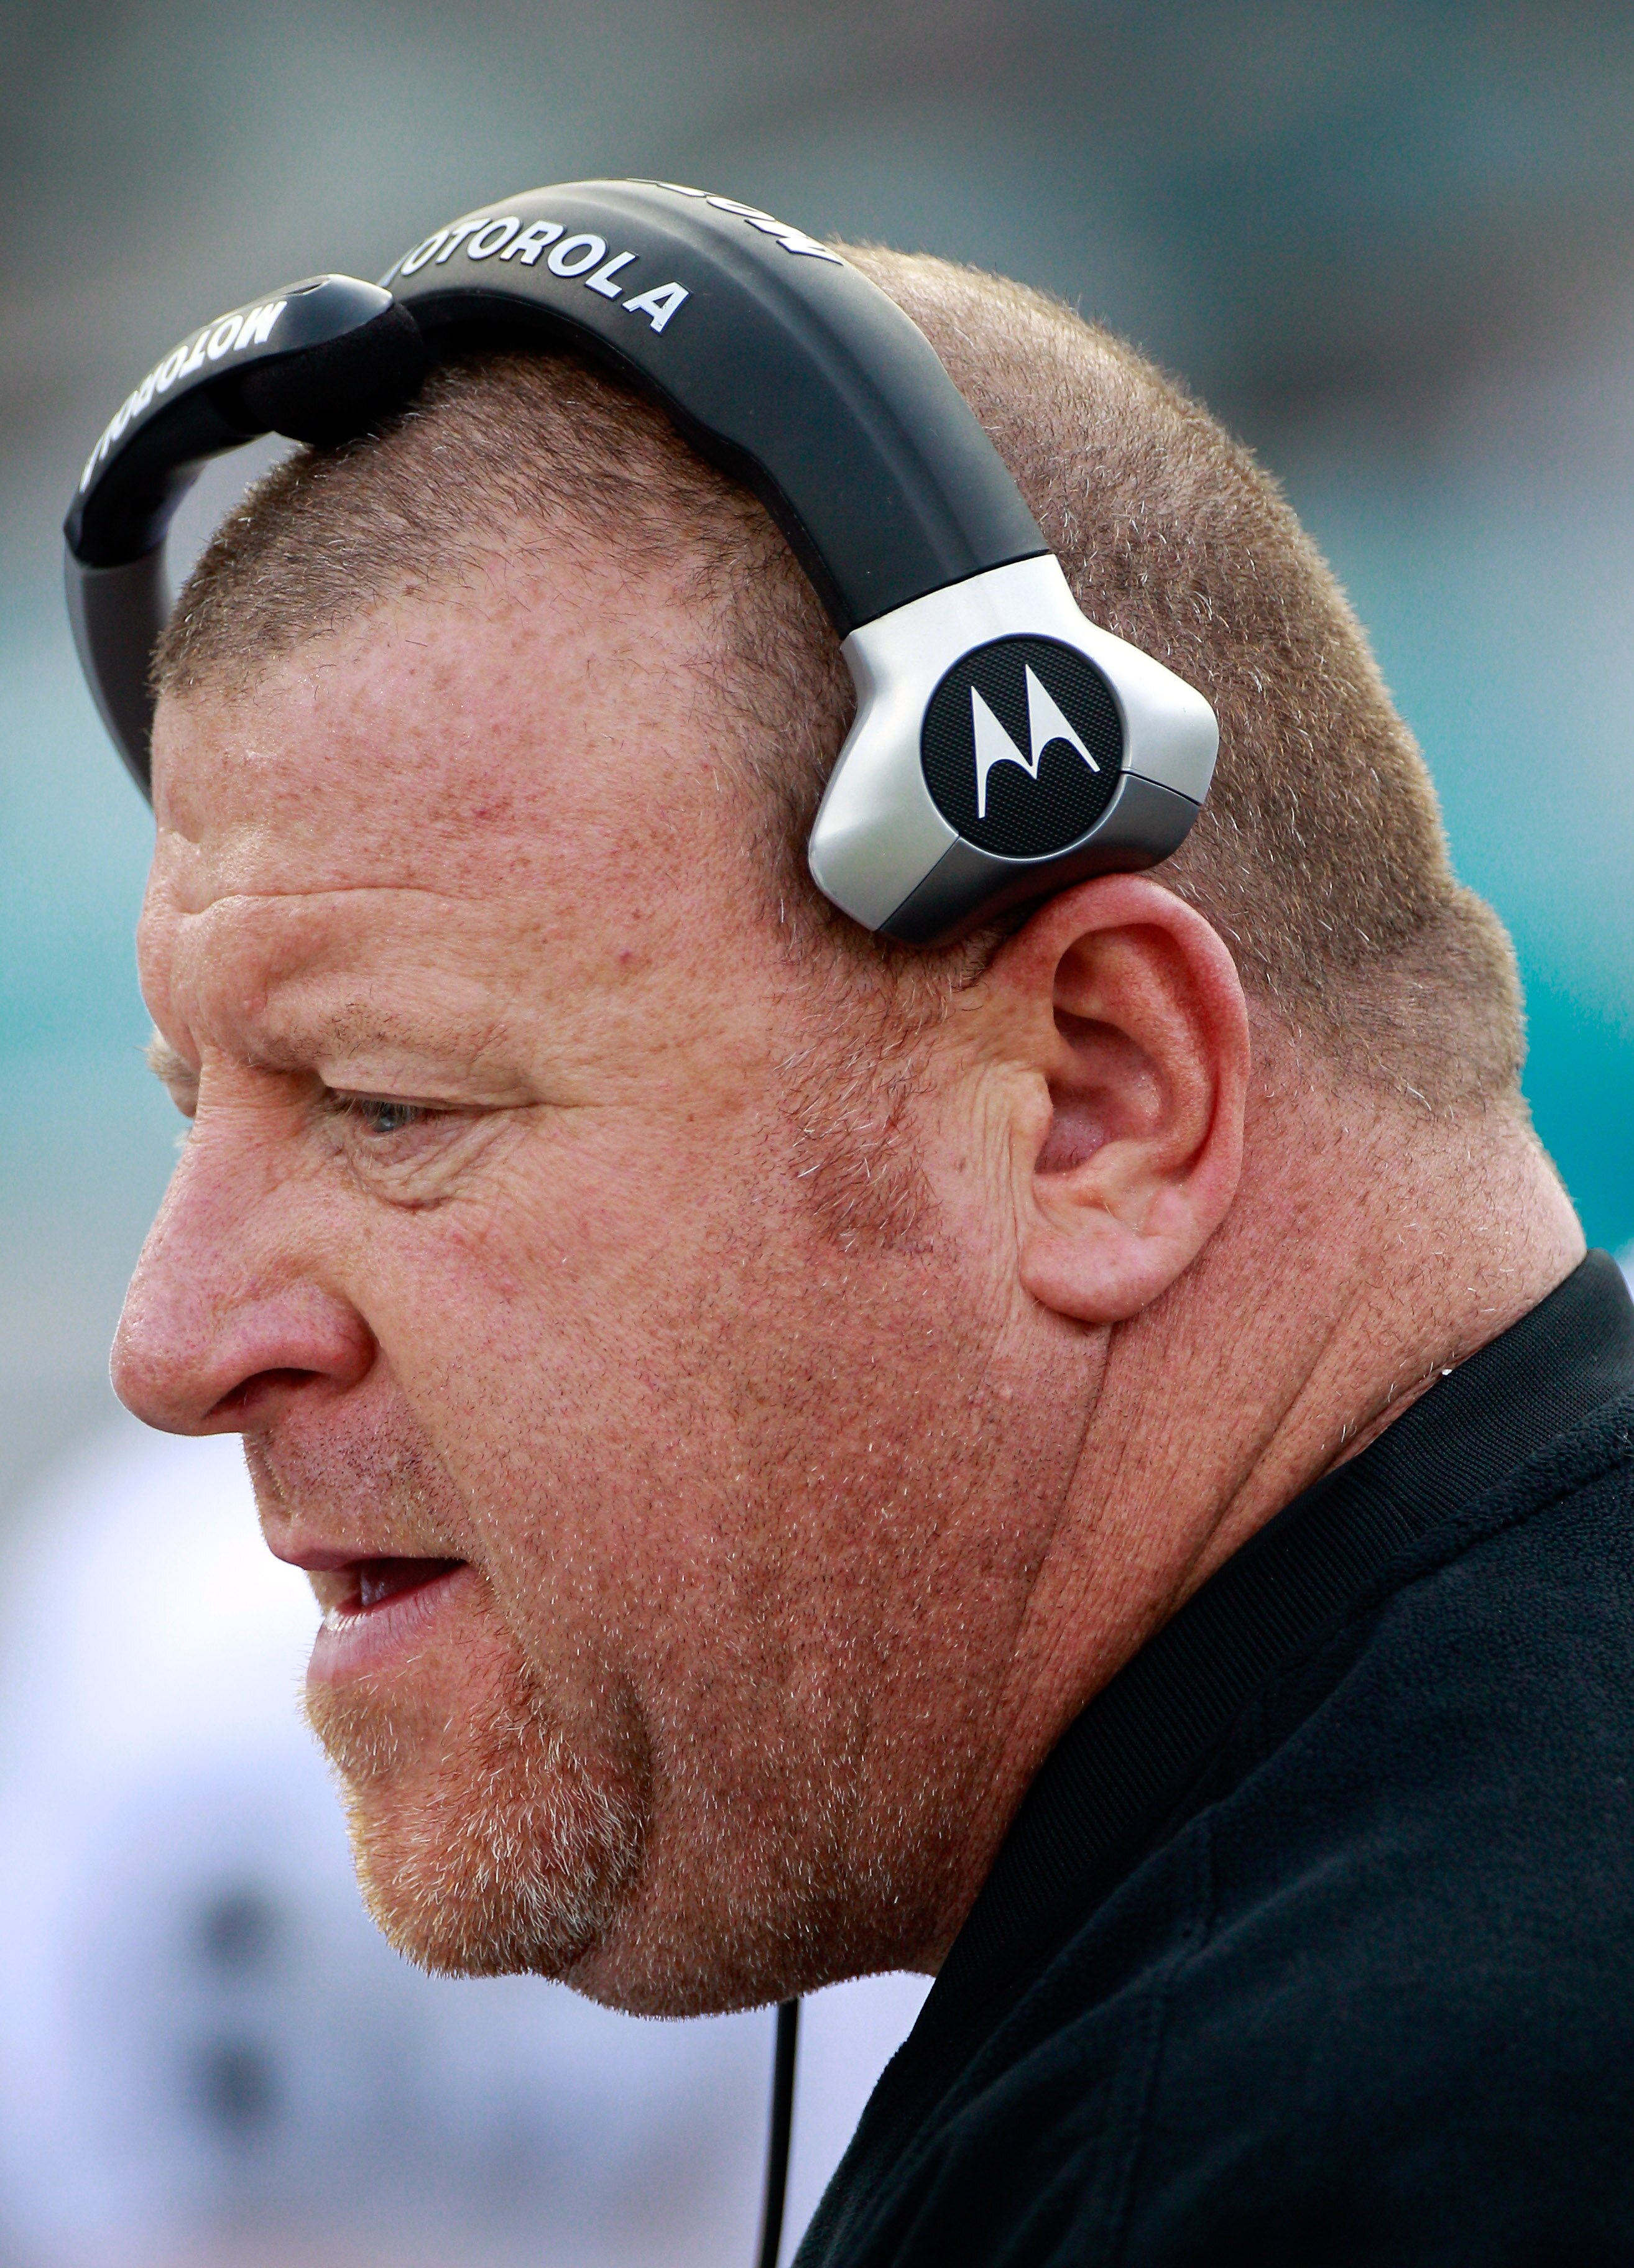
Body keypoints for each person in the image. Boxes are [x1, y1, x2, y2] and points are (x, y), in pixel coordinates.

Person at [106, 231, 1634, 2263]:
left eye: (390, 1105)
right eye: (199, 1110)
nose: (175, 1338)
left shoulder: (1316, 2159)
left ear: (1096, 1096)